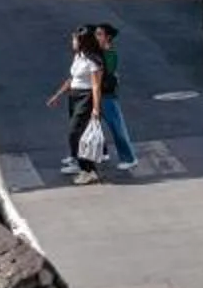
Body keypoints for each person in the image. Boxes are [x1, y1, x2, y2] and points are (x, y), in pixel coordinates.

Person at [45, 28, 105, 179]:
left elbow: (96, 86)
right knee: (77, 133)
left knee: (75, 133)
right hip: (74, 96)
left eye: (75, 40)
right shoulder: (79, 57)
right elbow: (72, 79)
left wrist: (96, 109)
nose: (72, 42)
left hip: (86, 97)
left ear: (82, 42)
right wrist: (57, 95)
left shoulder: (93, 61)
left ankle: (88, 170)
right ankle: (81, 164)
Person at [88, 23, 139, 174]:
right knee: (94, 124)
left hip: (107, 95)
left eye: (99, 34)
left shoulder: (109, 53)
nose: (96, 37)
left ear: (107, 37)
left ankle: (129, 157)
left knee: (117, 127)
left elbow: (106, 72)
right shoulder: (99, 52)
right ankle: (102, 152)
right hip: (99, 93)